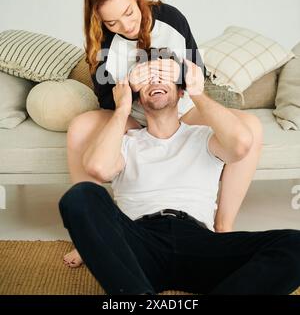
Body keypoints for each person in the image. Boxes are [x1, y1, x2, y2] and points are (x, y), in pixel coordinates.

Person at [63, 0, 263, 267]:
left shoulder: (171, 18)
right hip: (133, 115)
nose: (126, 26)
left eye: (129, 14)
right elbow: (107, 99)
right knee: (79, 128)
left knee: (250, 128)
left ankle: (223, 226)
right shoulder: (103, 40)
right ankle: (86, 235)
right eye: (112, 22)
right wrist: (131, 83)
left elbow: (199, 74)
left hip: (180, 111)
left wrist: (177, 73)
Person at [59, 53, 300, 295]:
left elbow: (240, 143)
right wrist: (122, 108)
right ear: (138, 99)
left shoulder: (205, 137)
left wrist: (197, 91)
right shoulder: (126, 142)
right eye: (147, 78)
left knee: (295, 245)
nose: (155, 81)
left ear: (181, 91)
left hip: (200, 243)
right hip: (138, 242)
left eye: (163, 76)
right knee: (80, 195)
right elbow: (98, 169)